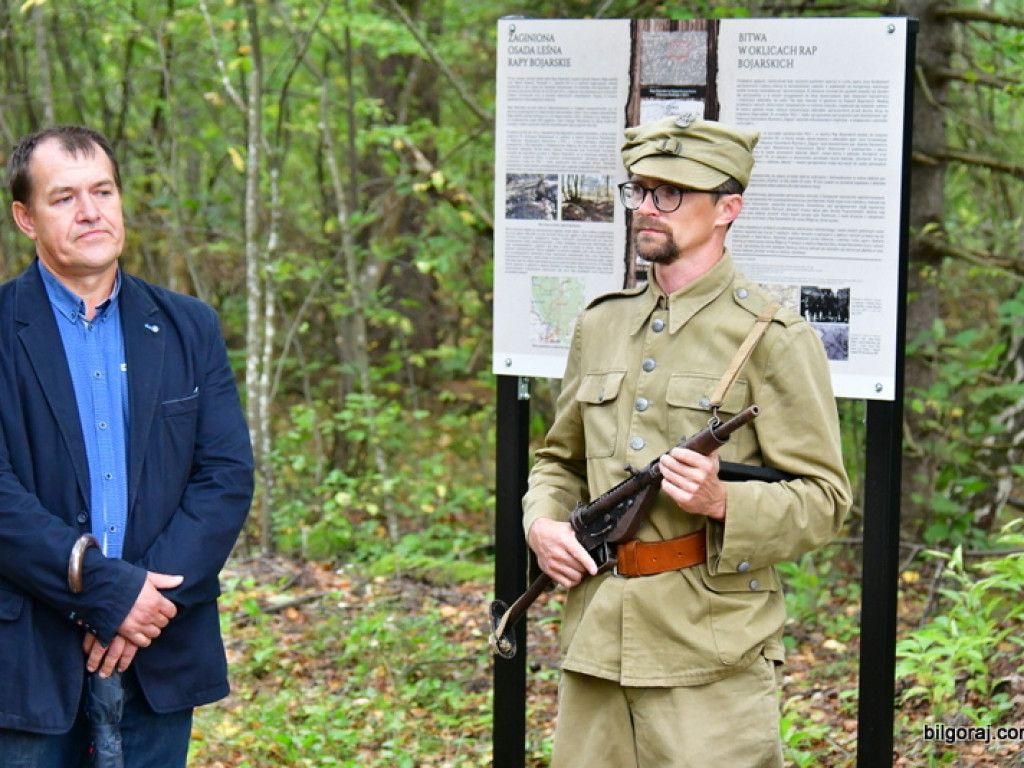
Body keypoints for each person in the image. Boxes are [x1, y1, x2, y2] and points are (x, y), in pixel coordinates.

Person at [523, 115, 852, 767]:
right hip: (597, 647)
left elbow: (828, 500)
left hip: (711, 655)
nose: (648, 206)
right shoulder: (601, 325)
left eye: (671, 192)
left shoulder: (774, 337)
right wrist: (542, 523)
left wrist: (723, 502)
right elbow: (558, 460)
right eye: (641, 189)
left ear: (728, 207)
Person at [0, 125, 254, 767]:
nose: (90, 212)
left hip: (159, 647)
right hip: (26, 657)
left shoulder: (187, 326)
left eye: (103, 191)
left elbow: (224, 476)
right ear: (25, 218)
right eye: (64, 198)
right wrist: (104, 591)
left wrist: (146, 600)